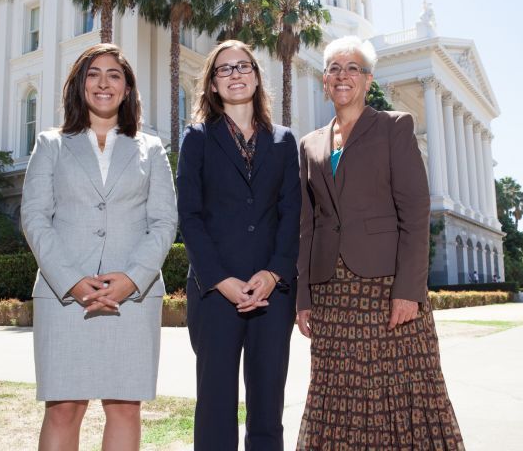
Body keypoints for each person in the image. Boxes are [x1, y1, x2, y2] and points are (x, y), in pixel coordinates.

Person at [296, 36, 465, 450]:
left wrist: (409, 292)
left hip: (386, 288)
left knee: (401, 390)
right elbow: (306, 225)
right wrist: (302, 298)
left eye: (352, 68)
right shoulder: (309, 144)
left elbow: (415, 213)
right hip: (330, 292)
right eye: (334, 68)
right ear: (323, 81)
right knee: (337, 393)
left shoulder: (394, 126)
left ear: (368, 79)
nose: (342, 75)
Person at [21, 43, 177, 451]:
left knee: (125, 407)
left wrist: (133, 279)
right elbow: (35, 218)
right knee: (63, 409)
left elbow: (163, 221)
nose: (103, 82)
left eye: (114, 75)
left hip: (133, 298)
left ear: (127, 89)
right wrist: (71, 281)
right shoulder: (50, 143)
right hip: (64, 297)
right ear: (79, 85)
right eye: (93, 73)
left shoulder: (152, 147)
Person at [177, 39, 301, 451]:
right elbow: (190, 217)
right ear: (212, 84)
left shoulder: (284, 141)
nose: (235, 74)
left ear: (256, 75)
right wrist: (221, 281)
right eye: (224, 69)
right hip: (214, 294)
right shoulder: (195, 138)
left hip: (273, 294)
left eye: (243, 66)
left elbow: (291, 214)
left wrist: (273, 273)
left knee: (268, 408)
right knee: (215, 407)